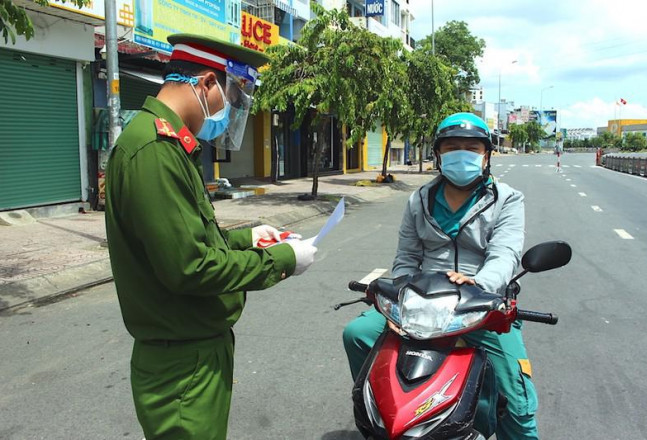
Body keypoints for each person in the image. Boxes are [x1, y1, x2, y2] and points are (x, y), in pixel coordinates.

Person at [105, 34, 317, 440]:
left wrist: (248, 237)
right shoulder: (153, 150)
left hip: (194, 350)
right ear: (204, 83)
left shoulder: (170, 146)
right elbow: (189, 266)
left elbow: (187, 237)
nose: (226, 110)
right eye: (228, 96)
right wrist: (285, 260)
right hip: (182, 364)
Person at [343, 112, 539, 439]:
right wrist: (399, 301)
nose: (461, 153)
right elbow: (406, 257)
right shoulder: (418, 200)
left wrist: (481, 284)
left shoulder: (507, 200)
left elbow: (505, 253)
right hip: (422, 303)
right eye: (452, 147)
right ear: (438, 154)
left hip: (479, 307)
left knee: (516, 400)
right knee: (357, 332)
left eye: (471, 148)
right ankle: (378, 406)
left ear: (486, 154)